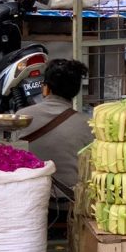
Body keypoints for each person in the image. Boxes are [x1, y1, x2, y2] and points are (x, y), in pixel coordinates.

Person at [20, 58, 93, 198]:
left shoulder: (22, 117)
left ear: (46, 88)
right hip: (70, 202)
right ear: (76, 91)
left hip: (30, 200)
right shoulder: (88, 124)